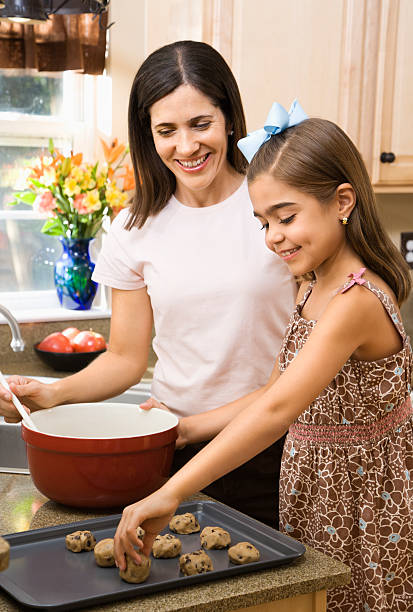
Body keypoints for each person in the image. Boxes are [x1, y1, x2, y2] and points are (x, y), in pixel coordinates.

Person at [113, 103, 413, 612]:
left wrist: (171, 494)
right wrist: (183, 428)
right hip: (313, 488)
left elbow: (277, 414)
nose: (273, 237)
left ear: (343, 201)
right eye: (263, 223)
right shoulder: (311, 282)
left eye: (286, 217)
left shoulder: (355, 301)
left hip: (361, 501)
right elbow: (273, 389)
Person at [0, 42, 296, 529]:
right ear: (148, 135)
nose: (186, 146)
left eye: (201, 124)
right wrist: (53, 394)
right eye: (166, 130)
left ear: (228, 119)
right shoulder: (134, 227)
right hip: (171, 450)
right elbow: (125, 357)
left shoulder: (275, 206)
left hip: (273, 450)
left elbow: (301, 363)